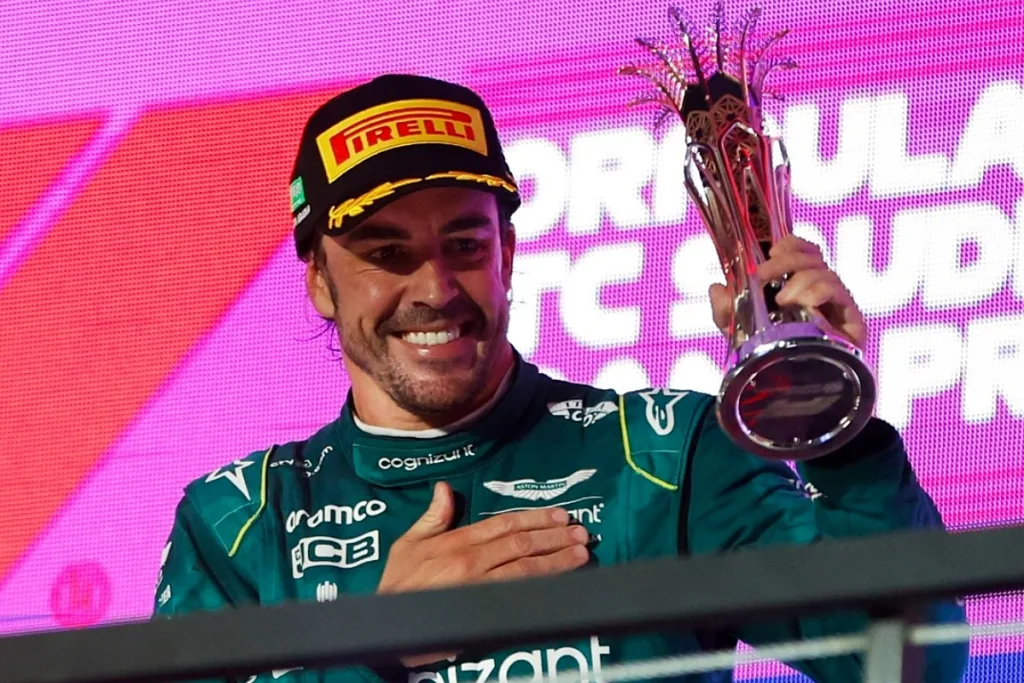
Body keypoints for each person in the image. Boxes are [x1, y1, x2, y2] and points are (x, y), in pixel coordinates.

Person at [154, 74, 967, 683]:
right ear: (320, 281)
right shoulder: (240, 523)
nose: (436, 287)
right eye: (387, 253)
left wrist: (833, 426)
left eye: (465, 244)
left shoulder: (665, 458)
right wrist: (372, 650)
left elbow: (910, 662)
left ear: (508, 254)